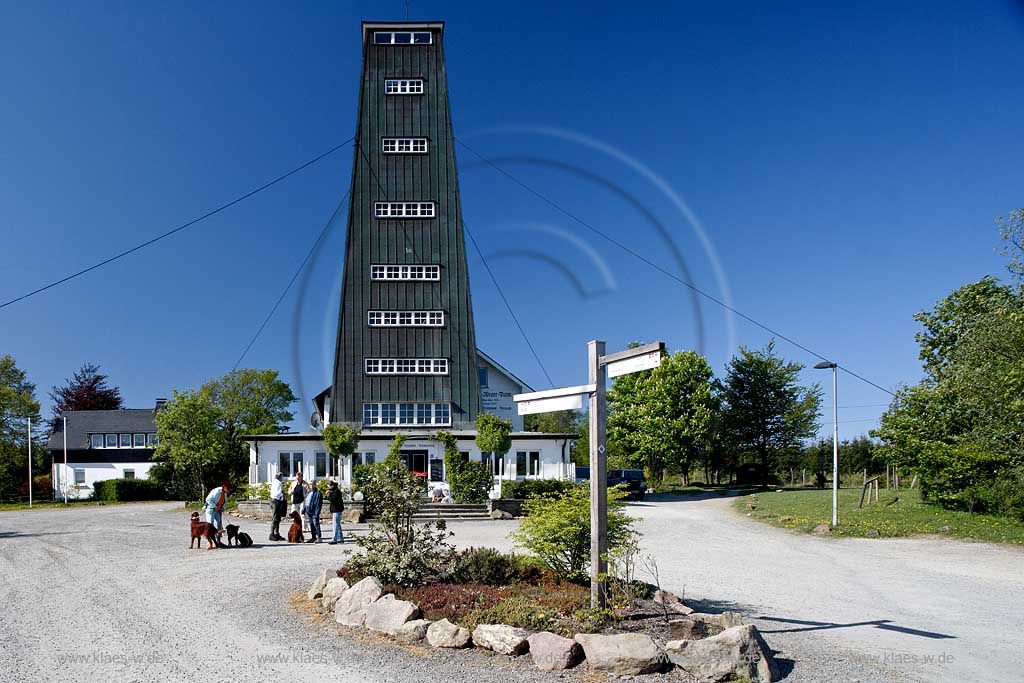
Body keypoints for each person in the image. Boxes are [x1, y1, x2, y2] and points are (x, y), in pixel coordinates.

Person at [304, 477, 323, 544]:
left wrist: (316, 513)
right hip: (308, 511)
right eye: (310, 484)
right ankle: (313, 537)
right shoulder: (308, 492)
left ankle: (319, 538)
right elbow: (305, 501)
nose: (311, 485)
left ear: (315, 485)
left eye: (312, 484)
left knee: (316, 524)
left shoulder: (317, 493)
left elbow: (318, 504)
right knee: (311, 524)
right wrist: (304, 509)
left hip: (314, 512)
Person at [269, 472, 285, 541]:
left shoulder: (275, 482)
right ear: (280, 477)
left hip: (276, 501)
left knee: (278, 518)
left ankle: (276, 533)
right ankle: (272, 534)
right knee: (275, 518)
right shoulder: (277, 483)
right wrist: (282, 494)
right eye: (282, 477)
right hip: (276, 501)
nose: (282, 478)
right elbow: (277, 493)